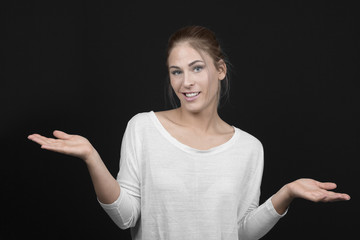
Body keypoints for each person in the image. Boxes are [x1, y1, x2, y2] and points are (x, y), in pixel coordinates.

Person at [28, 26, 350, 240]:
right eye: (176, 72)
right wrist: (92, 158)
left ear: (220, 70)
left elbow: (240, 232)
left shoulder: (250, 148)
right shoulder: (143, 128)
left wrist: (286, 194)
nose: (186, 83)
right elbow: (126, 218)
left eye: (197, 68)